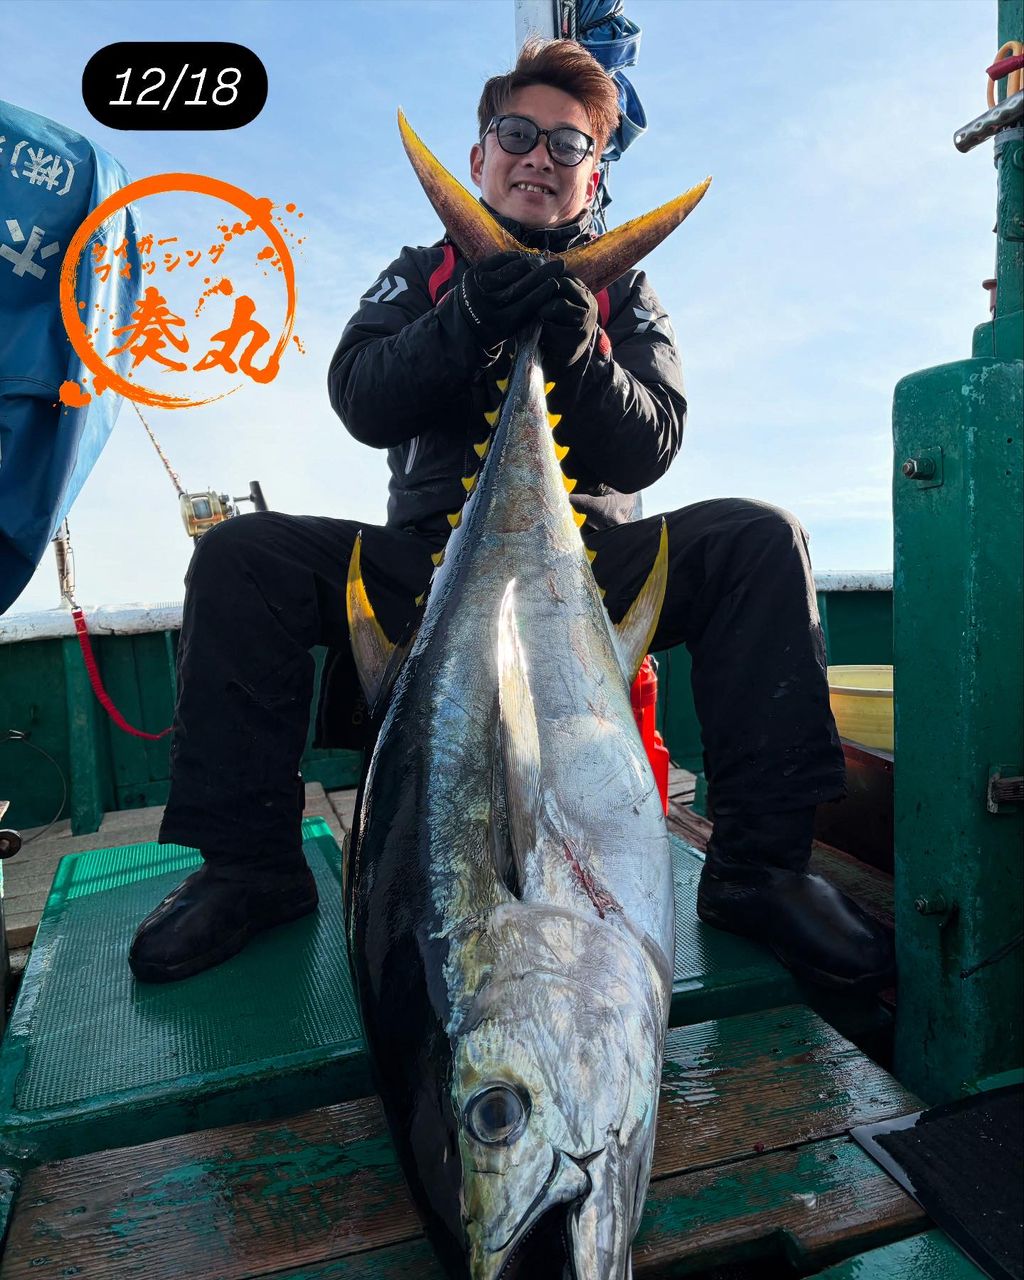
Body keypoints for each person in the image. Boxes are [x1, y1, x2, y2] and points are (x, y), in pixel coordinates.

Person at [129, 39, 893, 991]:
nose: (539, 157)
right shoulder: (422, 273)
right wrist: (467, 318)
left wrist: (581, 347)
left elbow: (652, 442)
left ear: (593, 177)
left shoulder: (625, 290)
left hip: (593, 577)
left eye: (567, 146)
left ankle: (760, 872)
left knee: (760, 539)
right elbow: (361, 397)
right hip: (430, 572)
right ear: (481, 156)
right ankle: (248, 870)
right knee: (244, 555)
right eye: (518, 135)